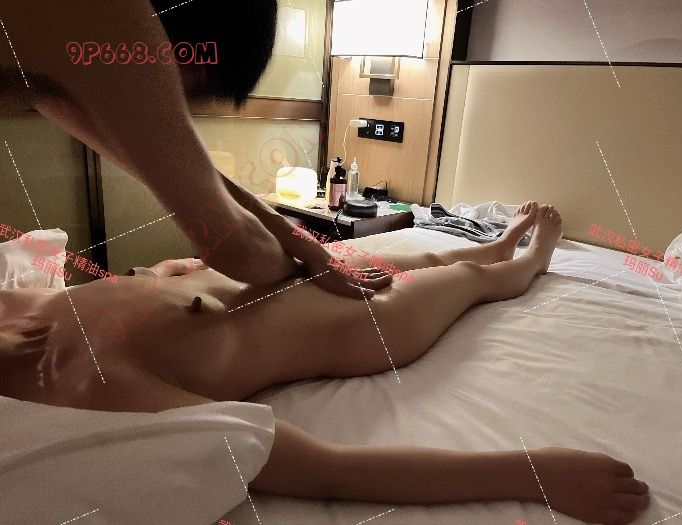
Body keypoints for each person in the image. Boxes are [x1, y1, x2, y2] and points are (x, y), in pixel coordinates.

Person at [0, 204, 649, 525]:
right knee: (464, 279)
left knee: (422, 256)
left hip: (271, 273)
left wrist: (164, 273)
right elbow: (333, 469)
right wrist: (533, 473)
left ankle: (497, 244)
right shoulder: (90, 395)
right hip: (350, 324)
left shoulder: (19, 309)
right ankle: (526, 261)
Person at [0, 0, 391, 299]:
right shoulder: (117, 27)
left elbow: (207, 180)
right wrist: (305, 274)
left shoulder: (66, 55)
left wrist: (306, 246)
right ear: (200, 59)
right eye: (197, 93)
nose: (181, 105)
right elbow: (234, 246)